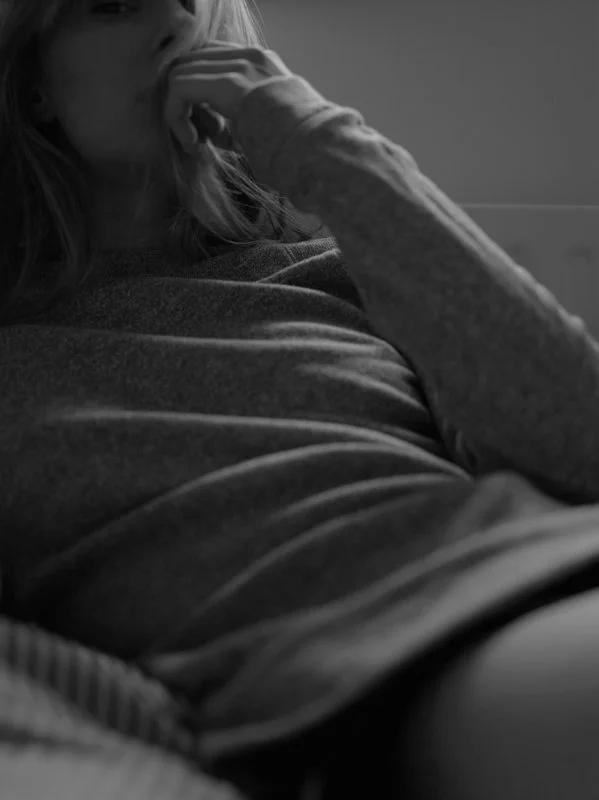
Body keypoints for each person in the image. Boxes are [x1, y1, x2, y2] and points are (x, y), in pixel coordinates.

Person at [2, 2, 599, 799]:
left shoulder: (326, 272)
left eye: (190, 5)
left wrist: (318, 141)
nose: (174, 27)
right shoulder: (18, 357)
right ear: (31, 79)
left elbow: (581, 444)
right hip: (393, 652)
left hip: (549, 558)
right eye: (116, 3)